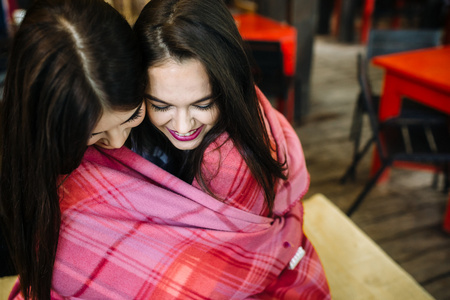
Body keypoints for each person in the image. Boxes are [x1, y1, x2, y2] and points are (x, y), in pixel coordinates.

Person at [129, 0, 331, 298]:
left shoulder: (227, 163)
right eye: (161, 105)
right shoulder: (120, 128)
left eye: (203, 104)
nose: (183, 127)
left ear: (230, 86)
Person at [0, 0, 146, 299]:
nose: (117, 142)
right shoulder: (14, 178)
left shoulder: (171, 116)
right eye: (94, 134)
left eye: (133, 116)